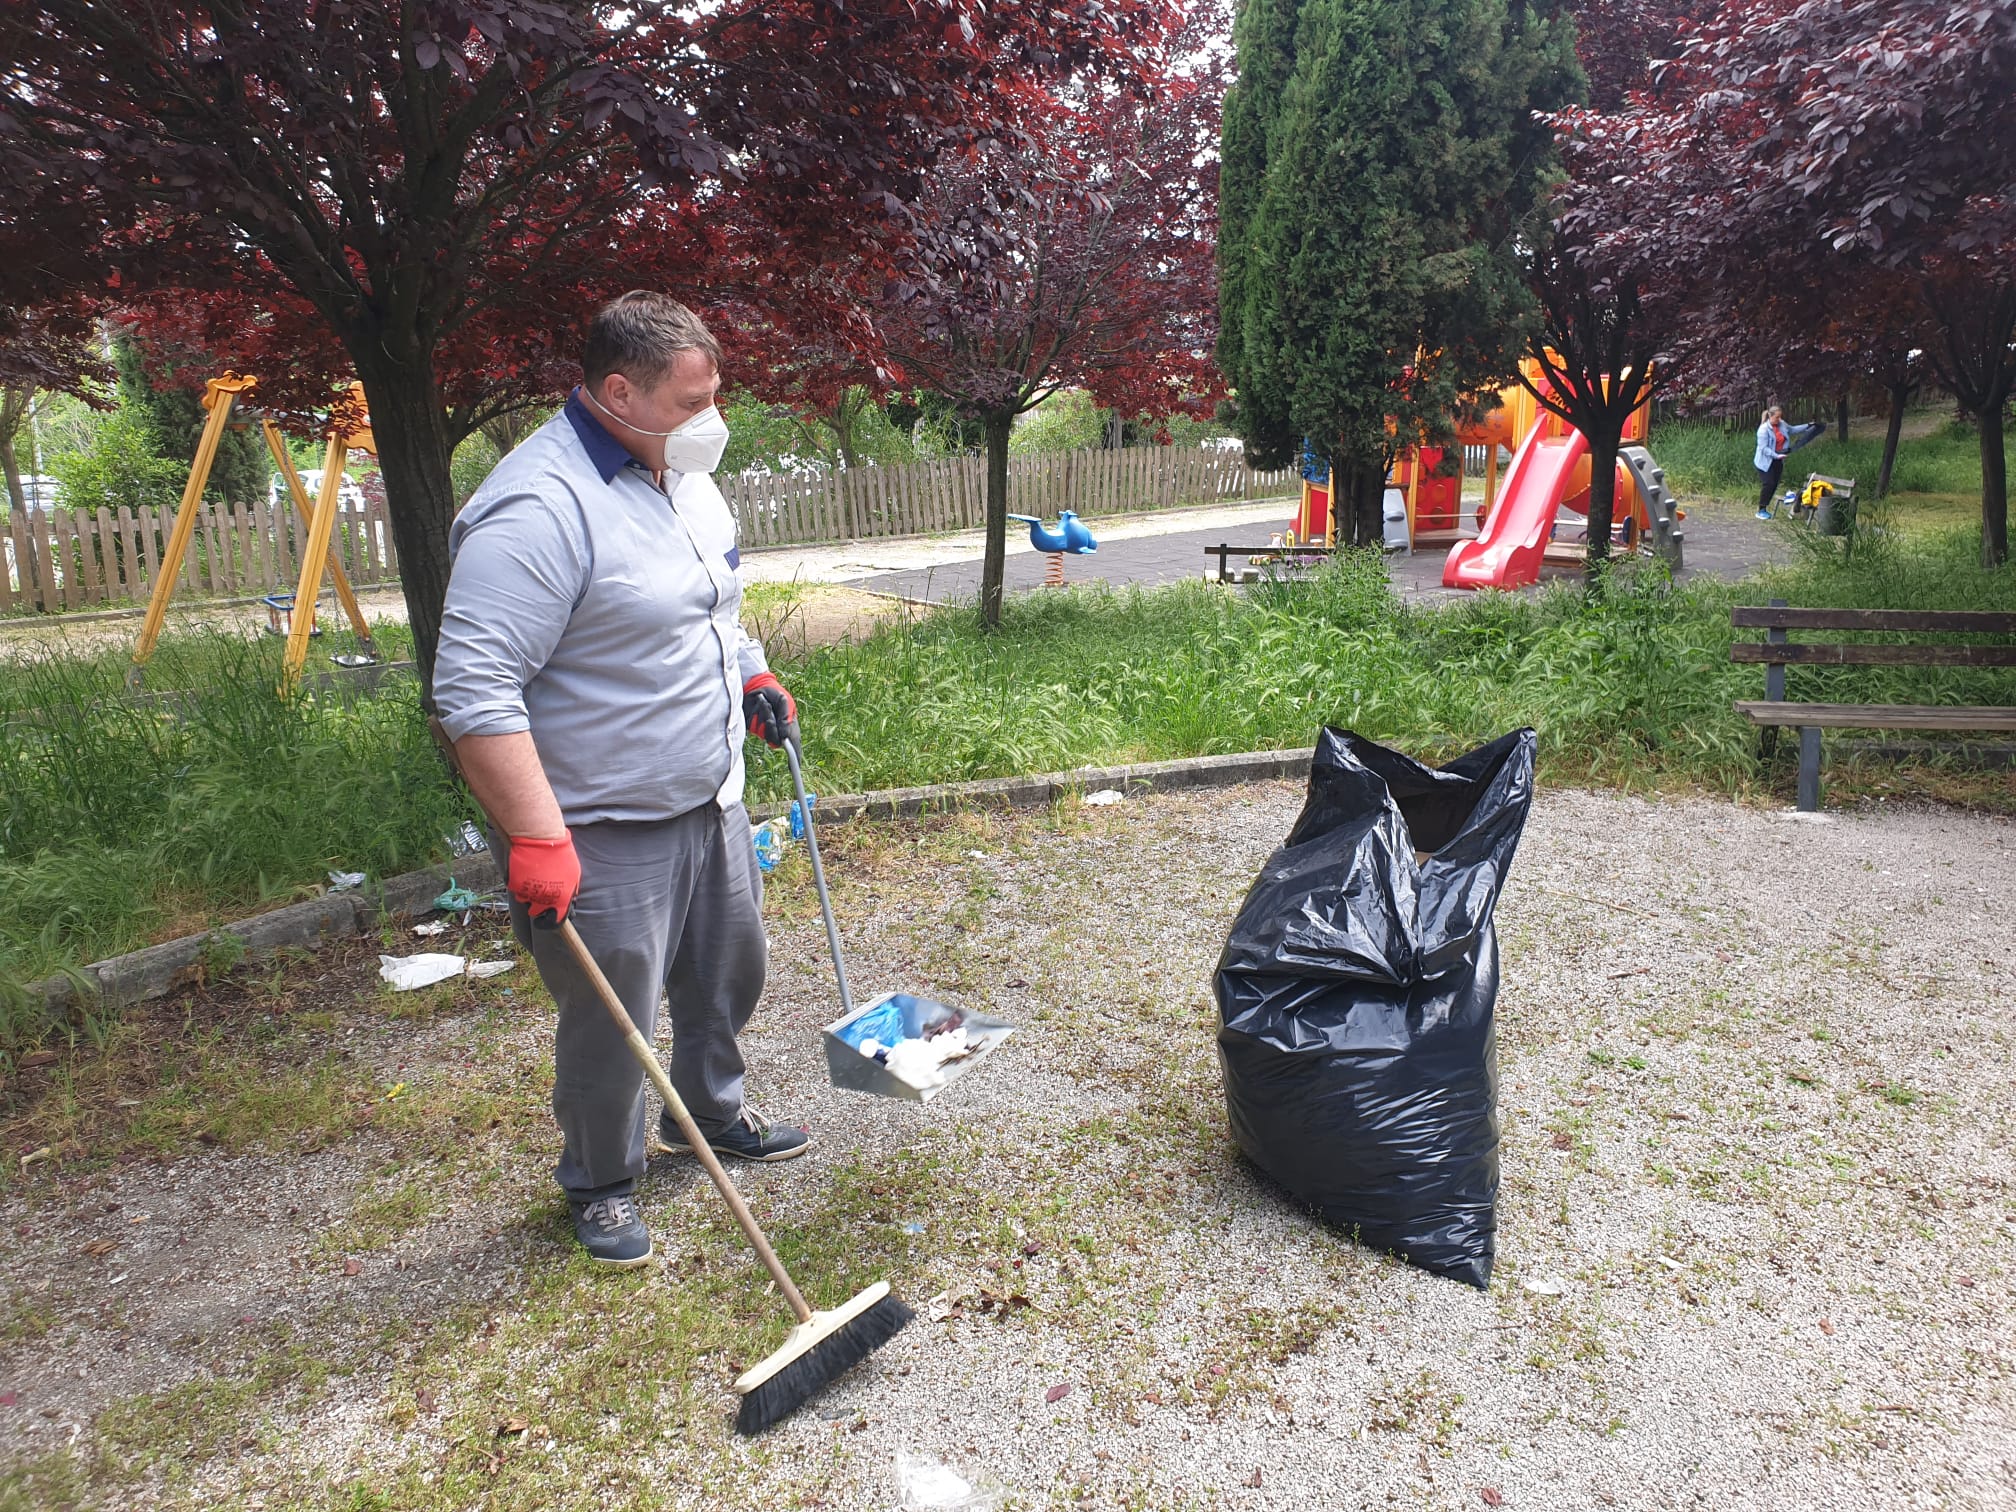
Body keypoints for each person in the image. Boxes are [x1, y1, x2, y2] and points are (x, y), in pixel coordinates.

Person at [432, 291, 806, 1270]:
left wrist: (751, 669)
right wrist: (537, 836)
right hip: (600, 827)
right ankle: (601, 1181)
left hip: (709, 799)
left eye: (714, 395)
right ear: (616, 392)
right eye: (693, 402)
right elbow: (472, 692)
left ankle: (708, 1118)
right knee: (614, 1024)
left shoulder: (684, 478)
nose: (712, 421)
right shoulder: (536, 510)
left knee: (731, 977)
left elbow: (706, 607)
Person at [1754, 403, 1791, 519]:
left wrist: (1808, 426)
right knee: (1768, 483)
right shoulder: (1763, 429)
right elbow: (1763, 449)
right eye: (1777, 417)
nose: (1779, 419)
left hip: (1777, 460)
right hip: (1765, 461)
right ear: (1770, 416)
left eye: (1780, 417)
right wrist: (1776, 455)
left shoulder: (1781, 424)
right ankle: (1761, 510)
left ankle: (1765, 508)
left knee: (1774, 484)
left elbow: (1793, 429)